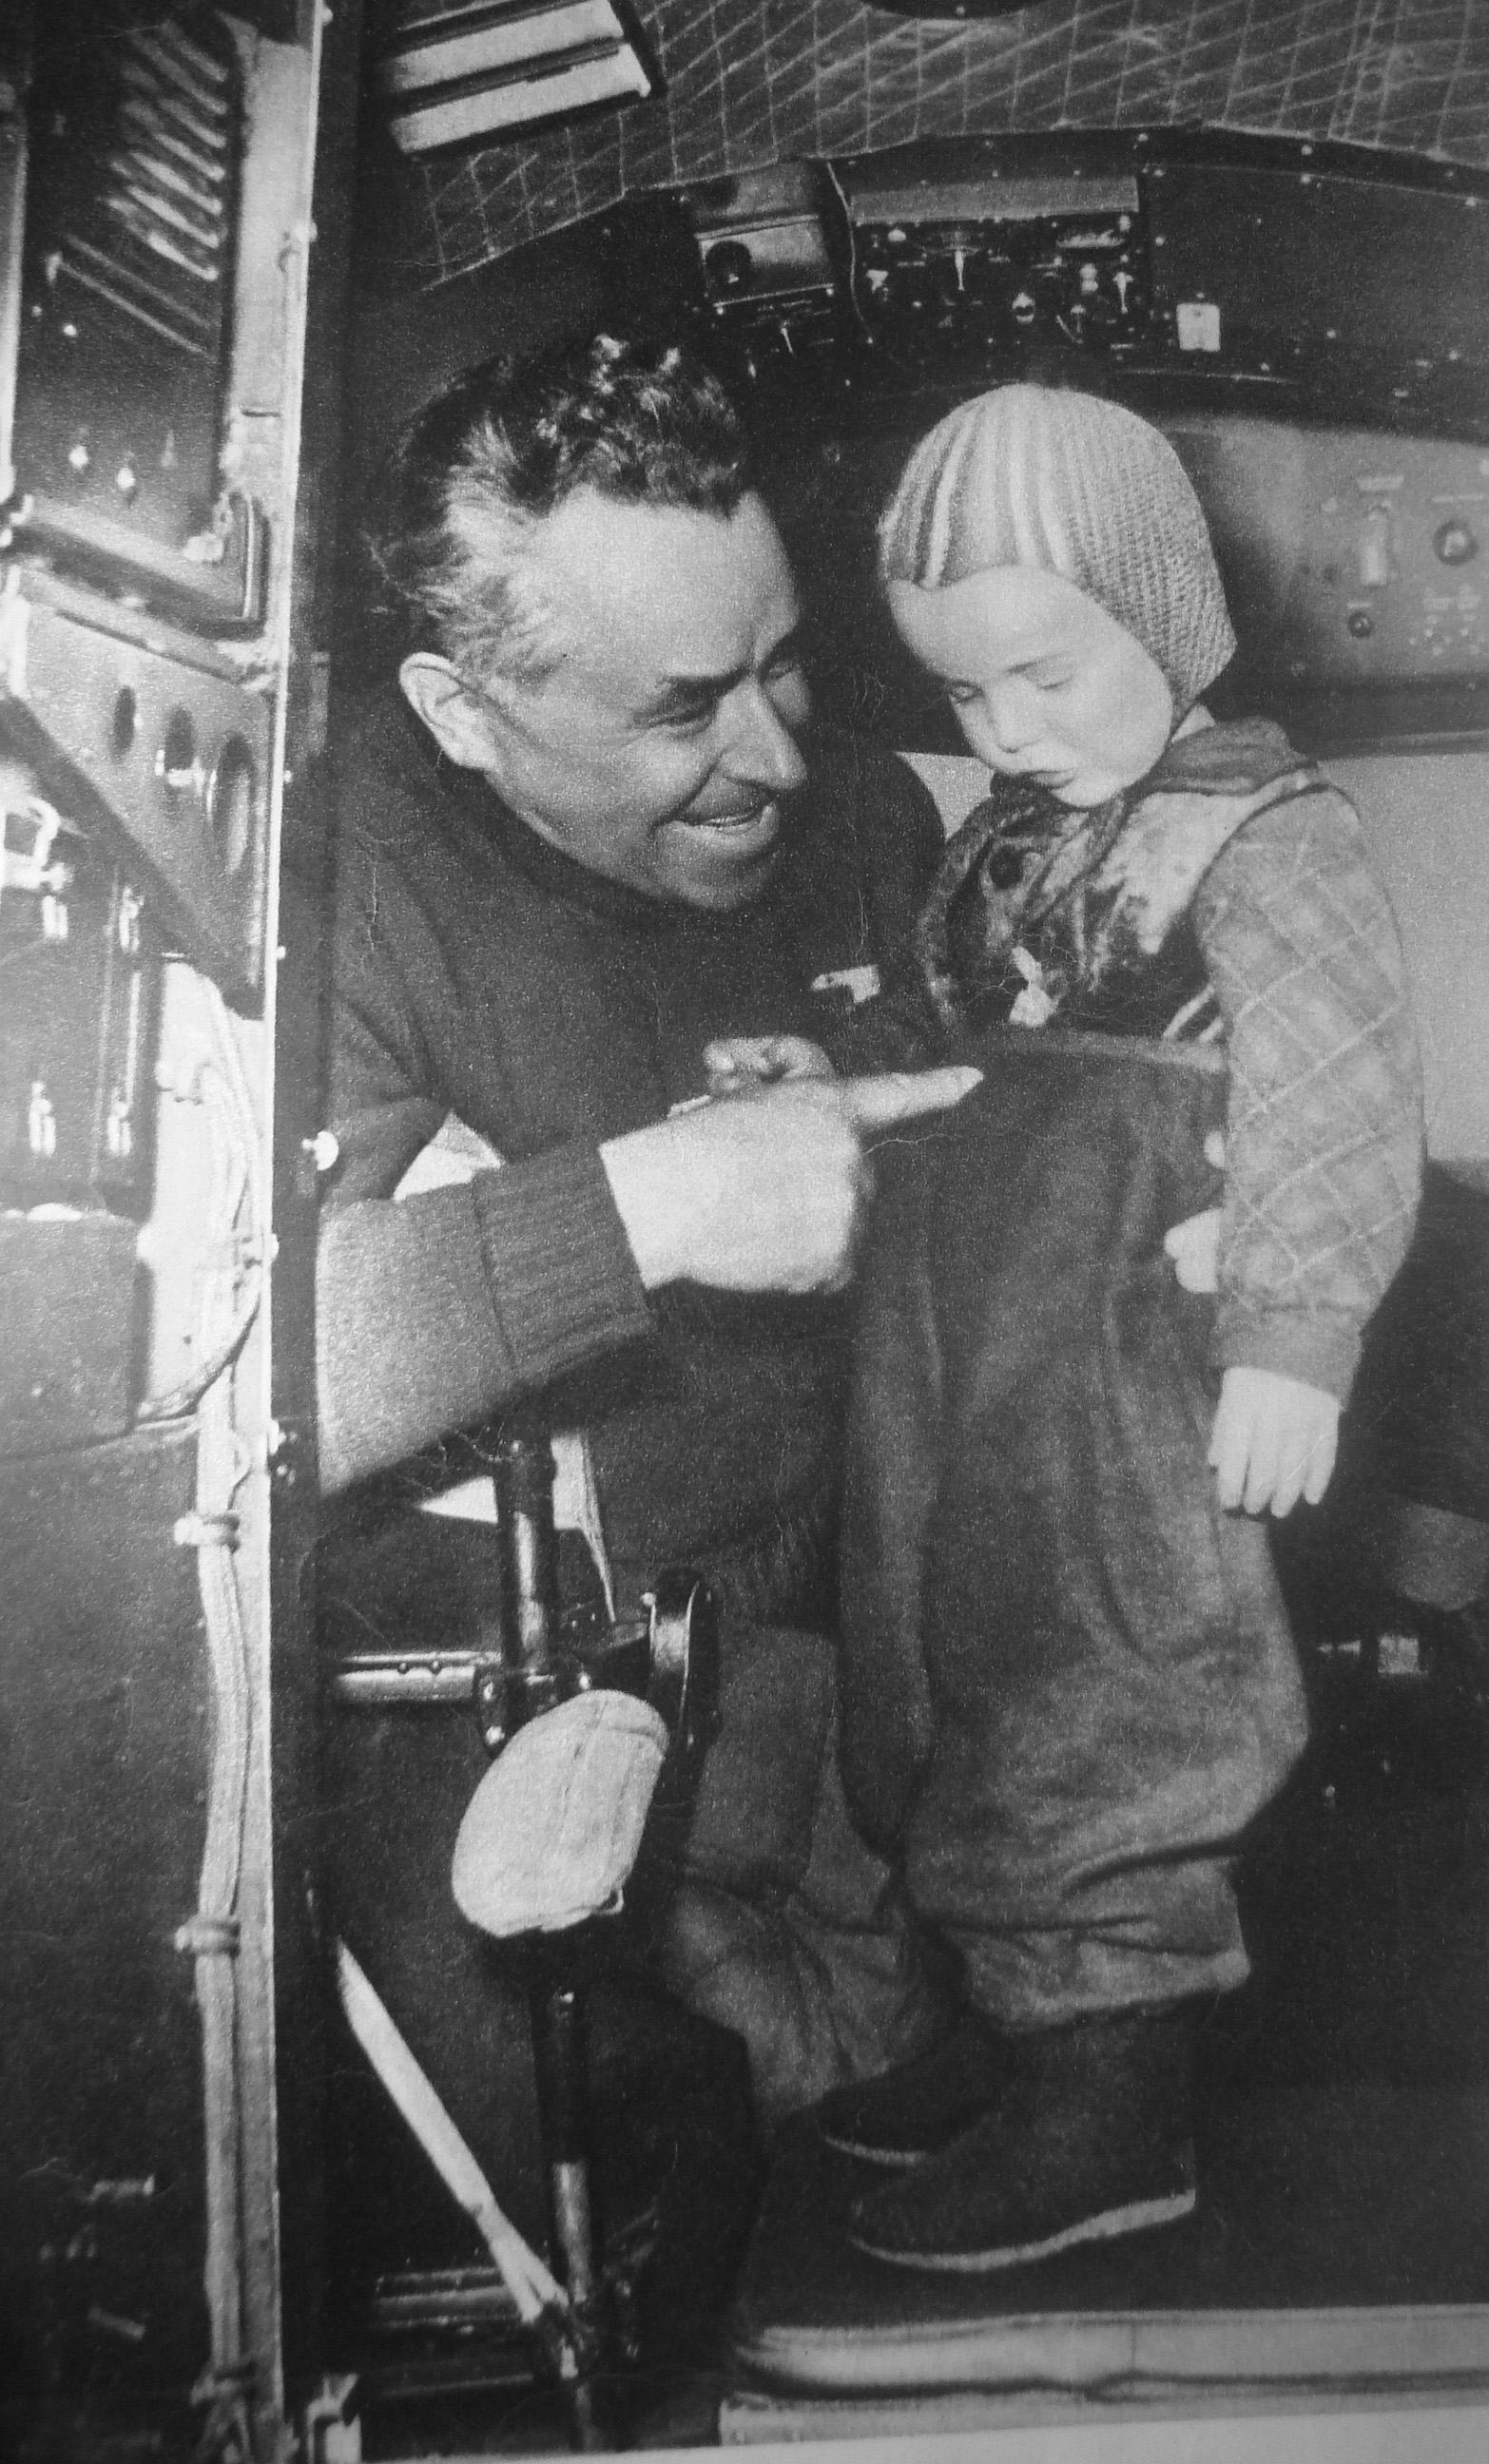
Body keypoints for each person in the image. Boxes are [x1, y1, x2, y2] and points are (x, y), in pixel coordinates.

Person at [313, 332, 979, 2208]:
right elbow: (254, 1382)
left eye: (784, 663)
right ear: (464, 712)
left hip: (861, 1631)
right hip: (536, 1681)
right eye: (686, 709)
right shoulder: (336, 889)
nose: (777, 755)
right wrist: (657, 1204)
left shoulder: (873, 822)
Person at [815, 384, 1425, 2270]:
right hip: (957, 1319)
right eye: (966, 693)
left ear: (1168, 619)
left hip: (1120, 1346)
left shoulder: (1269, 835)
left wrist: (1293, 1336)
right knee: (927, 1650)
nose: (1006, 730)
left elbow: (1336, 1088)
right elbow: (957, 1029)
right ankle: (1019, 2023)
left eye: (1046, 677)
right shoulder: (1022, 831)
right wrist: (824, 1077)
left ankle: (1112, 2086)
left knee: (1102, 1674)